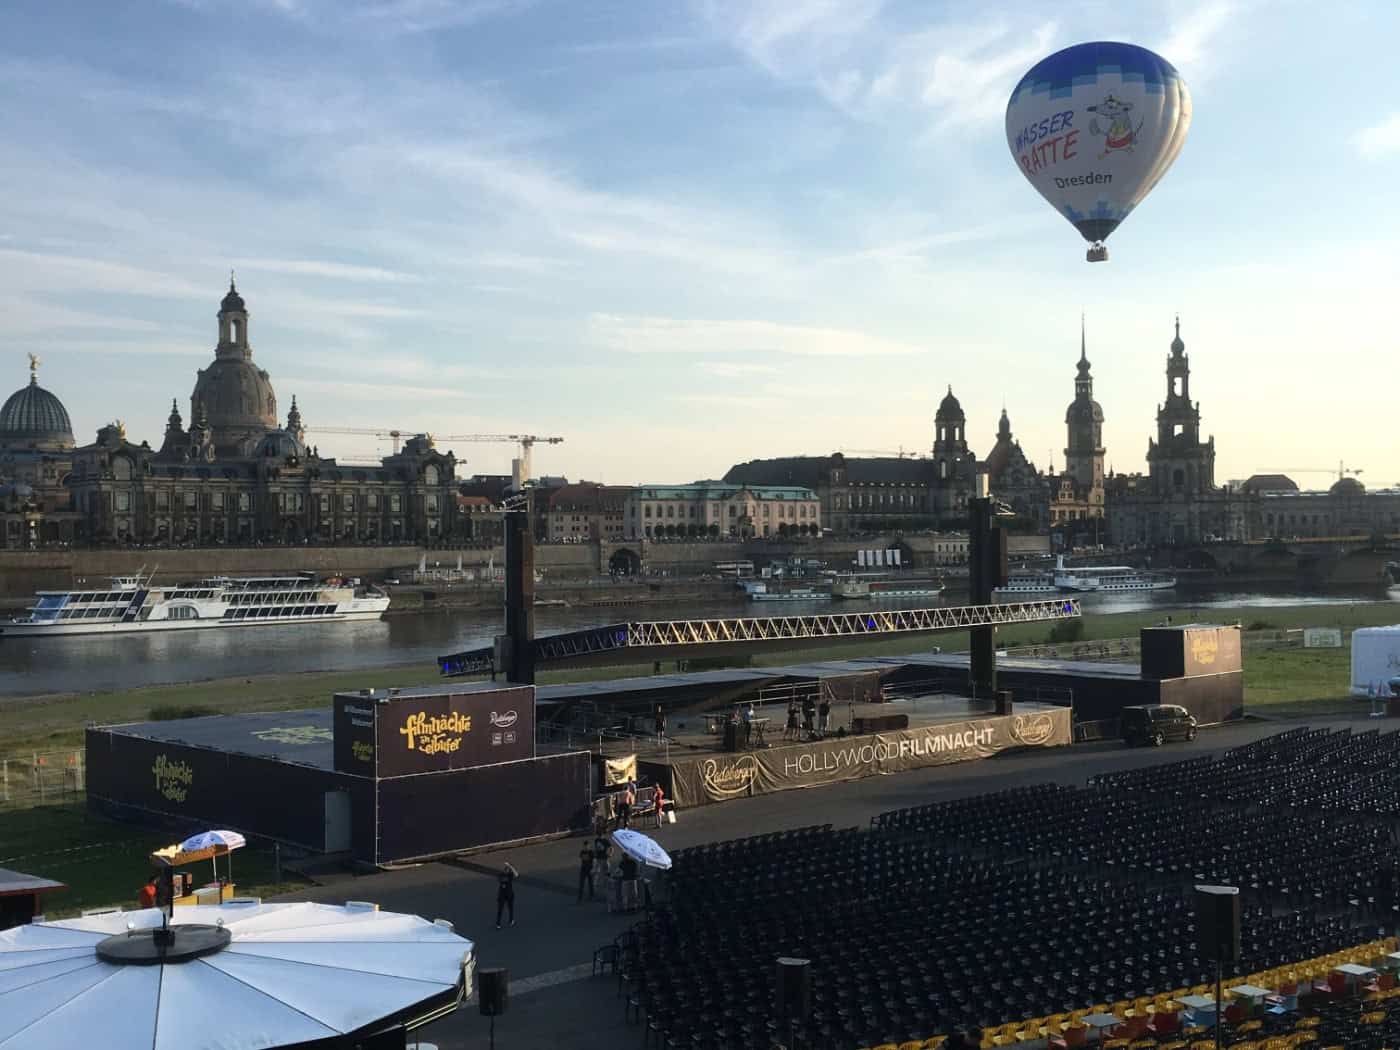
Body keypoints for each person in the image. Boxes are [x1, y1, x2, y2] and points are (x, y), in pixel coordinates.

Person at [495, 862, 518, 929]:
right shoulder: (501, 875)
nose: (506, 870)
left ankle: (510, 920)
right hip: (503, 894)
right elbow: (501, 880)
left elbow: (516, 874)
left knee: (510, 908)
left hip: (509, 894)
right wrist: (509, 866)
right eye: (506, 869)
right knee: (500, 909)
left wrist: (510, 866)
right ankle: (498, 923)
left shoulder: (509, 875)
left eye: (507, 869)